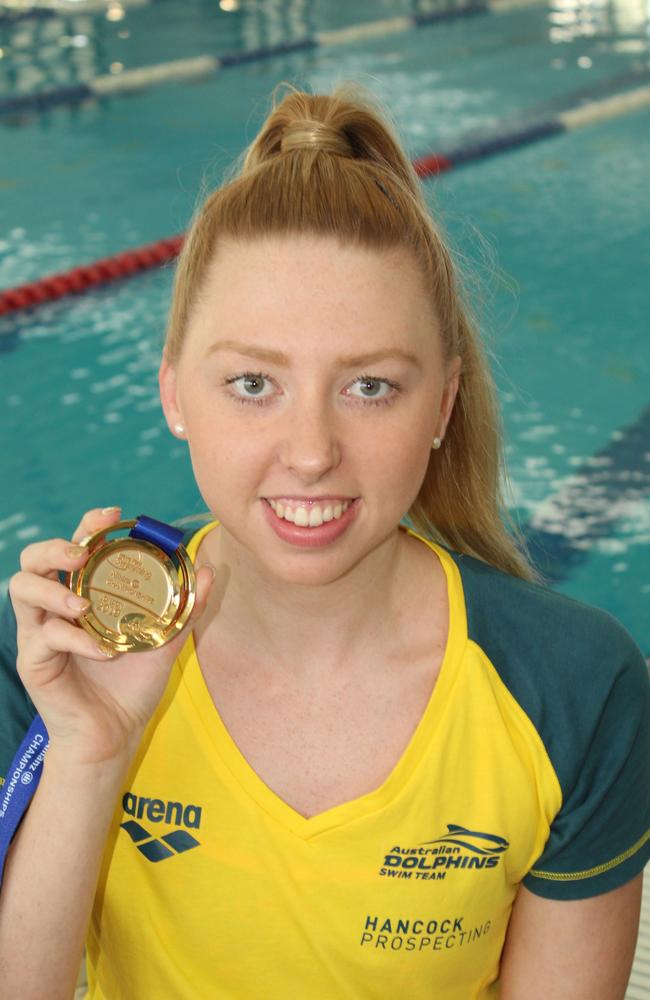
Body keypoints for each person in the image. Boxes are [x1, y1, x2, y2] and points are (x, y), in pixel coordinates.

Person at [0, 83, 648, 1000]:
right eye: (254, 384)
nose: (310, 454)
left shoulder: (573, 687)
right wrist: (88, 756)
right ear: (175, 392)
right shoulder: (61, 653)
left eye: (372, 387)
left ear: (444, 405)